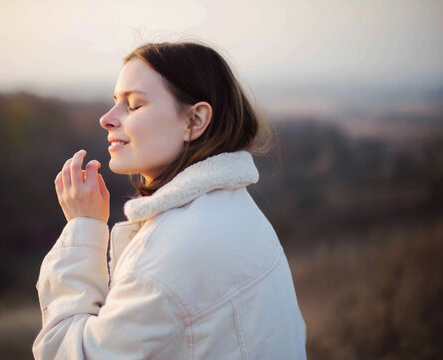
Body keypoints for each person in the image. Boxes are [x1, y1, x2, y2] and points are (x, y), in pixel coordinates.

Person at [32, 41, 306, 359]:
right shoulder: (235, 208)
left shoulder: (168, 253)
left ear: (195, 121)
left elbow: (67, 353)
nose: (107, 118)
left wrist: (84, 229)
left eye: (133, 105)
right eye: (114, 102)